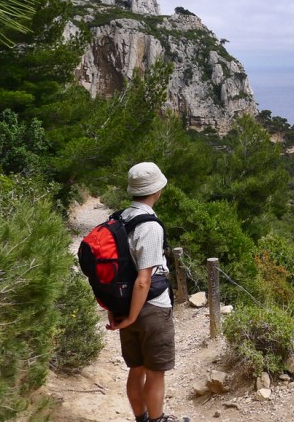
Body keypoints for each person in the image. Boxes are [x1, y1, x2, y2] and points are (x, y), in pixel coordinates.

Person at [107, 162, 187, 422]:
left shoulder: (119, 218)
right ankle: (157, 419)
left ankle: (141, 418)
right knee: (155, 372)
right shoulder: (150, 226)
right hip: (150, 308)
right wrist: (131, 316)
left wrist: (117, 310)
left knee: (135, 369)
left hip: (124, 304)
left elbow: (114, 270)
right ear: (158, 190)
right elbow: (143, 280)